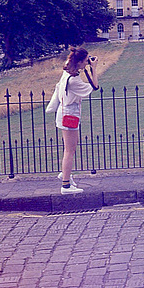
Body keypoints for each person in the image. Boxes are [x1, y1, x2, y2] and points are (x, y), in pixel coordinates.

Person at [47, 47, 99, 194]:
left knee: (73, 145)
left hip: (66, 113)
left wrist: (86, 63)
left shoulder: (68, 68)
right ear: (80, 61)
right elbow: (95, 86)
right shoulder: (74, 80)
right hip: (69, 115)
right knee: (69, 151)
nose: (87, 62)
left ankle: (66, 174)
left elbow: (73, 62)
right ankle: (65, 185)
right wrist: (93, 68)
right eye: (86, 60)